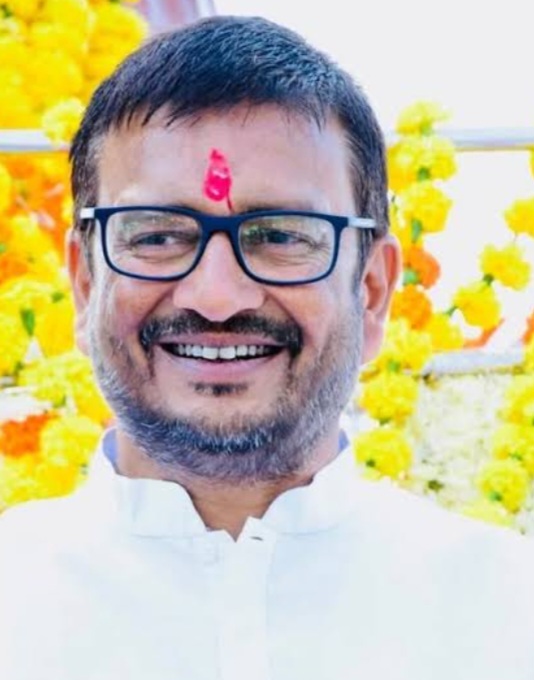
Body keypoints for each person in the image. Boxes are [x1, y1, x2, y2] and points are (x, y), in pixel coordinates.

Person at [1, 15, 534, 680]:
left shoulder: (505, 614)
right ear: (85, 284)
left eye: (281, 235)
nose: (216, 296)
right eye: (156, 236)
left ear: (372, 290)